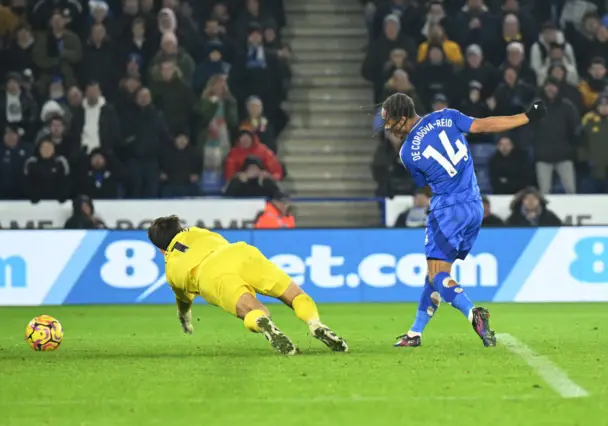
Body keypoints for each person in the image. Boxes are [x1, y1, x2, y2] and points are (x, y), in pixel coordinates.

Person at [381, 92, 547, 348]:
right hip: (474, 205)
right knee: (435, 272)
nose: (388, 128)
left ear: (402, 119)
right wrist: (526, 117)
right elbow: (485, 125)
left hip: (447, 210)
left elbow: (424, 185)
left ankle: (473, 313)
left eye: (389, 122)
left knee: (438, 274)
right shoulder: (446, 116)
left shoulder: (406, 154)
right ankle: (415, 333)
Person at [146, 215, 349, 355]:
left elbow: (183, 303)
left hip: (209, 274)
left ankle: (263, 323)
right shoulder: (198, 232)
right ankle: (314, 323)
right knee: (294, 295)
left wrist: (185, 319)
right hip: (239, 253)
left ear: (160, 249)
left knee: (255, 310)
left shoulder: (172, 270)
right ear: (180, 229)